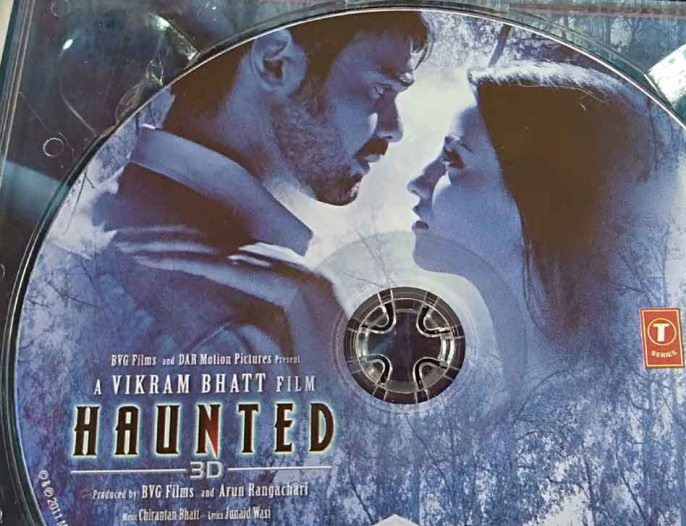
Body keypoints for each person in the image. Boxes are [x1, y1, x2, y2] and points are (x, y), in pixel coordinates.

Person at [84, 11, 432, 357]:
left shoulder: (99, 225)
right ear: (275, 63)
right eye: (380, 89)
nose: (395, 129)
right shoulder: (236, 321)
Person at [408, 62, 655, 389]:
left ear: (536, 209)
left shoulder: (577, 397)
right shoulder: (506, 387)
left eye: (454, 160)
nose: (417, 183)